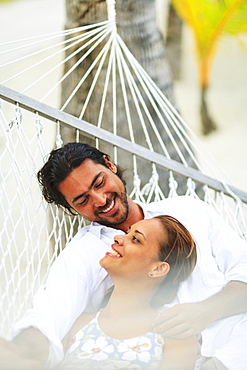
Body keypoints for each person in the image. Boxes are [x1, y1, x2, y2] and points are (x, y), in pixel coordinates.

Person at [1, 142, 247, 369]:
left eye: (99, 183)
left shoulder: (188, 210)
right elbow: (49, 315)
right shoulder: (88, 252)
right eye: (82, 200)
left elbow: (243, 267)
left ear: (110, 165)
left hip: (234, 350)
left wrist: (206, 311)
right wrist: (18, 350)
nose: (100, 200)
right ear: (72, 210)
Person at [58, 215, 198, 369]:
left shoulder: (175, 336)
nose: (118, 237)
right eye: (127, 233)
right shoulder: (78, 324)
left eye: (136, 239)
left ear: (158, 269)